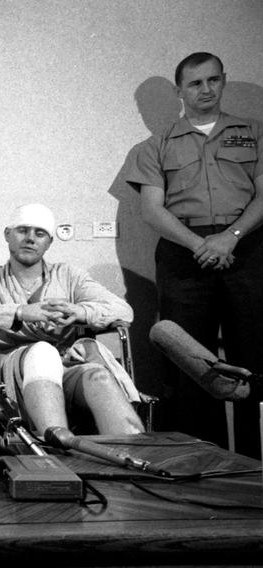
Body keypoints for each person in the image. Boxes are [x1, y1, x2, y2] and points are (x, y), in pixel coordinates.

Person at [125, 52, 263, 458]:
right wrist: (200, 244)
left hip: (247, 246)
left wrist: (231, 237)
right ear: (179, 91)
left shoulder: (254, 133)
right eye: (195, 83)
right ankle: (202, 460)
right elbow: (152, 208)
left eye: (213, 80)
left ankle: (254, 463)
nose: (206, 90)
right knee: (190, 360)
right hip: (184, 253)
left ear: (223, 81)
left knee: (253, 355)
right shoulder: (155, 146)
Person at [0, 203, 144, 438]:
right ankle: (56, 454)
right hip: (16, 371)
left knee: (98, 375)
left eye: (39, 233)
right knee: (42, 352)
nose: (30, 239)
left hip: (67, 365)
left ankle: (134, 457)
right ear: (7, 235)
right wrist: (21, 311)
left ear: (49, 242)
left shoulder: (69, 275)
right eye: (23, 230)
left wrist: (80, 311)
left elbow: (123, 311)